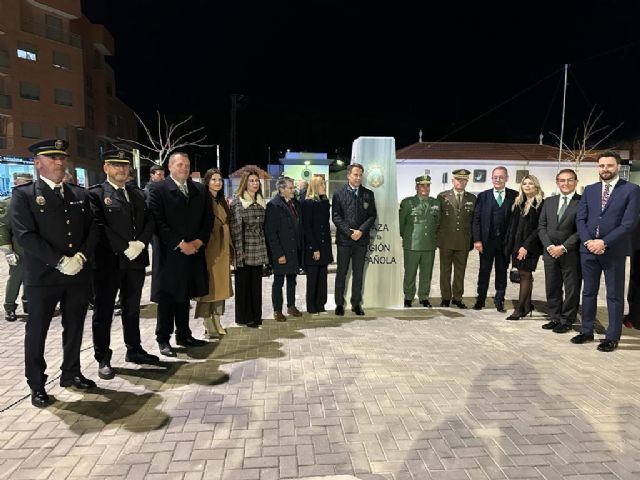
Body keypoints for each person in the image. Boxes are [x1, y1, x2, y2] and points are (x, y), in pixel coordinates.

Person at [11, 139, 98, 407]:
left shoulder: (78, 194)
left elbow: (92, 228)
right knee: (37, 332)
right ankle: (36, 385)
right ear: (38, 163)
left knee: (74, 328)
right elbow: (25, 236)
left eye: (62, 158)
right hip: (43, 277)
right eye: (52, 158)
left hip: (77, 275)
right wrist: (60, 260)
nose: (60, 163)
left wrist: (81, 256)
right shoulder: (24, 195)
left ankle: (71, 373)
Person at [88, 149, 158, 380]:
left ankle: (134, 349)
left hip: (135, 262)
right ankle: (103, 357)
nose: (121, 169)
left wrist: (140, 243)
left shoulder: (137, 193)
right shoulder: (96, 194)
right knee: (104, 312)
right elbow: (99, 226)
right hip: (109, 263)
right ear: (105, 168)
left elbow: (149, 220)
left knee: (132, 308)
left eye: (125, 165)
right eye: (116, 165)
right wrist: (124, 247)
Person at [572, 151, 640, 352]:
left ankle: (612, 337)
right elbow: (580, 219)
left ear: (618, 166)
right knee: (589, 292)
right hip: (589, 251)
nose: (605, 169)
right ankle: (586, 331)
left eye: (609, 165)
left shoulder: (632, 190)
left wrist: (604, 242)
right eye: (601, 166)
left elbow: (629, 223)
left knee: (614, 295)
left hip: (614, 251)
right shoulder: (590, 190)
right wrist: (588, 242)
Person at [148, 152, 213, 357]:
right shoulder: (158, 190)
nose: (183, 168)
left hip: (193, 252)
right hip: (170, 254)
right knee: (168, 297)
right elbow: (157, 222)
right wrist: (179, 243)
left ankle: (183, 334)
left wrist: (198, 241)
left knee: (184, 295)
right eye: (179, 164)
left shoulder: (199, 190)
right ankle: (163, 338)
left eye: (186, 164)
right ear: (170, 167)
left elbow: (207, 220)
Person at [538, 169, 582, 333]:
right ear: (557, 182)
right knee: (552, 286)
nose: (565, 183)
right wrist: (549, 247)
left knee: (571, 288)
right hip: (550, 253)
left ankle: (567, 320)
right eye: (562, 180)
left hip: (570, 253)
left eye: (569, 180)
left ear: (576, 182)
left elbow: (581, 230)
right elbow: (541, 226)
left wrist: (563, 248)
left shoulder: (582, 202)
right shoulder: (549, 201)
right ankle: (554, 317)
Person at [332, 163, 377, 316]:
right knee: (341, 273)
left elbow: (372, 215)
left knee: (358, 274)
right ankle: (339, 304)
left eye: (360, 175)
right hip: (344, 241)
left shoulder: (368, 194)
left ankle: (356, 303)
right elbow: (336, 217)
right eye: (355, 174)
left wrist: (361, 231)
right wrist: (349, 232)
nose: (358, 178)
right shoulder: (338, 193)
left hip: (361, 241)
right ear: (348, 175)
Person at [471, 166, 518, 312]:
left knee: (501, 271)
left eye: (501, 177)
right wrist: (477, 240)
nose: (498, 180)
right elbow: (476, 219)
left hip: (505, 243)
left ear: (506, 178)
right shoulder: (483, 196)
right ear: (492, 179)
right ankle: (480, 300)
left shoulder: (514, 196)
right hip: (486, 242)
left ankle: (499, 300)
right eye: (495, 177)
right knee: (484, 271)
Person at [194, 168, 232, 338]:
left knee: (222, 285)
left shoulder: (220, 200)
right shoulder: (202, 199)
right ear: (207, 181)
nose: (218, 182)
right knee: (209, 285)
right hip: (209, 248)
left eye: (220, 179)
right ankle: (207, 321)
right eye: (214, 179)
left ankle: (217, 319)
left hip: (223, 248)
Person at [230, 169, 269, 328]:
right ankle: (243, 317)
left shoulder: (261, 201)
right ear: (245, 183)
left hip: (258, 247)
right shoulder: (238, 202)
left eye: (256, 180)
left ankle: (256, 316)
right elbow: (236, 228)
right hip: (245, 247)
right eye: (251, 181)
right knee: (243, 285)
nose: (255, 183)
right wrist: (239, 251)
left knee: (256, 285)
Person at [503, 175, 544, 320]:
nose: (527, 186)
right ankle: (526, 307)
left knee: (525, 274)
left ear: (536, 186)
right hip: (516, 244)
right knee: (524, 274)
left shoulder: (539, 204)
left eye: (530, 184)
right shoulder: (519, 202)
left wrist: (526, 246)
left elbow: (539, 228)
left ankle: (519, 310)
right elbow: (513, 227)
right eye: (524, 184)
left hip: (530, 246)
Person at [265, 176, 303, 322]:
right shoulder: (273, 206)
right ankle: (277, 309)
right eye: (290, 188)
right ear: (282, 189)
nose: (293, 190)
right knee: (279, 281)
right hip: (282, 251)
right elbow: (271, 233)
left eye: (293, 187)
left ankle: (291, 306)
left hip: (294, 250)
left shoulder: (295, 204)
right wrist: (279, 253)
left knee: (292, 280)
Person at [399, 175, 441, 307]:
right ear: (416, 187)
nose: (425, 188)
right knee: (410, 272)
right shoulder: (407, 203)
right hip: (412, 244)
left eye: (428, 185)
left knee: (426, 273)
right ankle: (408, 296)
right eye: (422, 185)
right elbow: (401, 224)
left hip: (429, 244)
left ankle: (424, 297)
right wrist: (406, 238)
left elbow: (438, 223)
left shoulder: (435, 203)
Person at [437, 169, 476, 308]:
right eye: (458, 179)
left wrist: (474, 239)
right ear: (453, 181)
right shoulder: (442, 197)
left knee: (460, 271)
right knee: (445, 271)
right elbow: (438, 219)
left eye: (464, 180)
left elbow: (474, 221)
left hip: (464, 241)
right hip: (446, 240)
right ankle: (445, 297)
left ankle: (457, 298)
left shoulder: (472, 198)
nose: (461, 182)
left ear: (467, 181)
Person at [0, 172, 33, 321]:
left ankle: (29, 304)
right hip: (18, 248)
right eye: (25, 183)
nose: (28, 186)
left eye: (30, 183)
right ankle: (10, 307)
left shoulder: (33, 200)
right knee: (16, 278)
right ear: (16, 183)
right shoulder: (8, 203)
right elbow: (3, 227)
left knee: (31, 278)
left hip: (33, 248)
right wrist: (7, 250)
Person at [302, 175, 333, 314]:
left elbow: (325, 226)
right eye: (322, 185)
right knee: (313, 278)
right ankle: (312, 306)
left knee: (323, 278)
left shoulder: (325, 203)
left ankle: (321, 304)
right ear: (315, 187)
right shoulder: (307, 204)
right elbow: (307, 228)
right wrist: (314, 248)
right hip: (313, 247)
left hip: (324, 246)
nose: (324, 187)